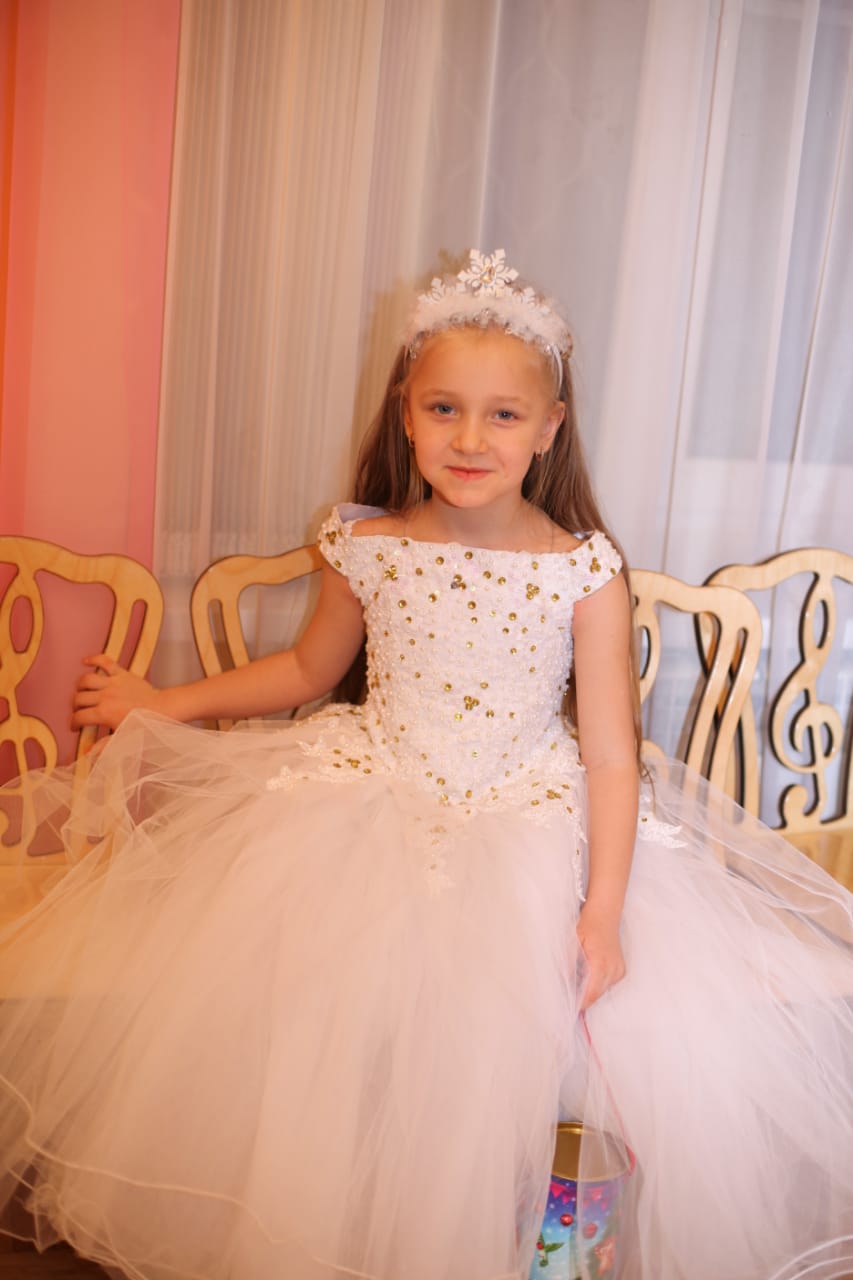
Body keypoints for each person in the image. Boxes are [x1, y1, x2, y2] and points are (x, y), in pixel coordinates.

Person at [0, 249, 851, 1280]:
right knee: (321, 1025)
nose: (470, 437)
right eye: (444, 408)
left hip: (529, 821)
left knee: (508, 1039)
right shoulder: (366, 544)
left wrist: (602, 909)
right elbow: (307, 670)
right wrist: (162, 701)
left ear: (548, 428)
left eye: (502, 415)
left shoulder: (582, 570)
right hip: (368, 801)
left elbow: (610, 756)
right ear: (406, 414)